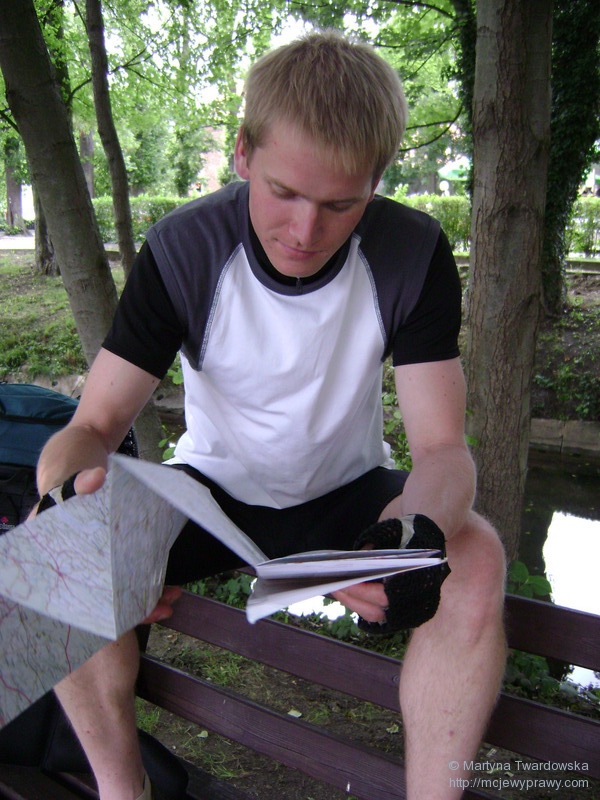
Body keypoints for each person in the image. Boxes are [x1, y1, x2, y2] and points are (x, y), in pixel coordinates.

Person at [36, 30, 506, 800]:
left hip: (347, 496)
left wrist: (417, 532)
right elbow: (92, 427)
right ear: (244, 153)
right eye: (284, 193)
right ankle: (124, 791)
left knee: (475, 557)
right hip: (212, 493)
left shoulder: (413, 252)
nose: (305, 231)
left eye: (340, 204)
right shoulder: (182, 248)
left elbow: (442, 450)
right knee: (57, 545)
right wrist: (63, 495)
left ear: (376, 182)